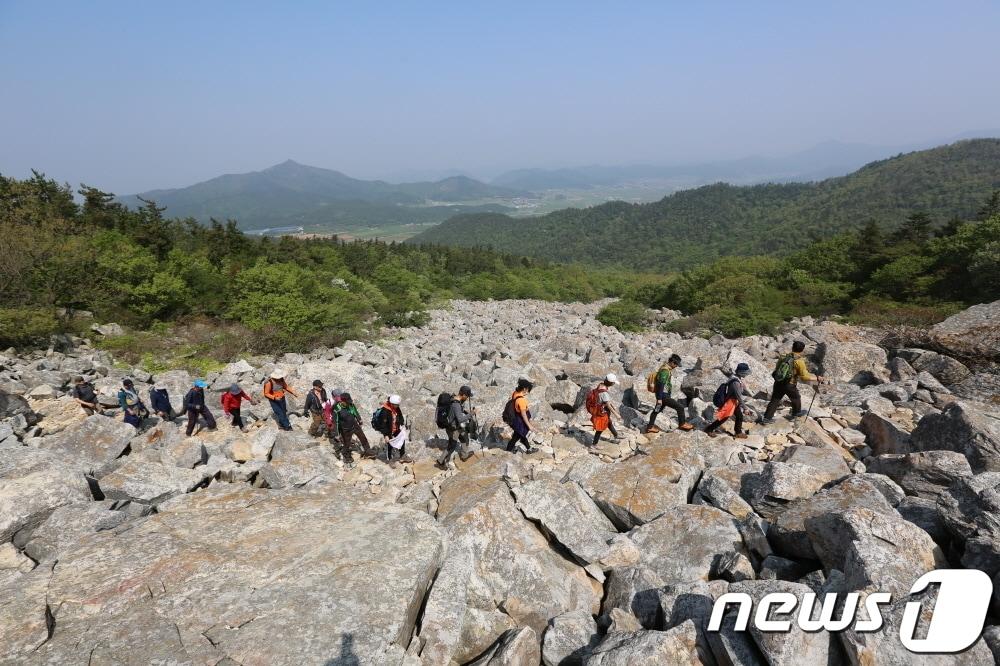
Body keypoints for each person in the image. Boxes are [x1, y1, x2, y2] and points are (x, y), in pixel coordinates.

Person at [759, 341, 825, 424]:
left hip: (778, 382)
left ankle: (767, 418)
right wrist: (816, 378)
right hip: (789, 384)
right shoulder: (799, 361)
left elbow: (777, 368)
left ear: (792, 347)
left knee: (775, 400)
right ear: (802, 350)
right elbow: (804, 377)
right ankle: (796, 414)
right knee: (796, 398)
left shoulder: (783, 356)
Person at [646, 354, 694, 434]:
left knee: (656, 410)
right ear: (671, 362)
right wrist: (659, 399)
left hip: (662, 395)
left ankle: (650, 427)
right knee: (680, 407)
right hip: (663, 396)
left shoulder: (664, 367)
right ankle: (682, 424)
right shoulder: (665, 371)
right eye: (675, 364)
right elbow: (661, 385)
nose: (676, 366)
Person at [705, 363, 752, 439]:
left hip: (734, 402)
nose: (746, 375)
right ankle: (709, 429)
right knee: (724, 417)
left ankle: (738, 432)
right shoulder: (735, 383)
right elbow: (738, 396)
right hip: (730, 402)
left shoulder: (735, 377)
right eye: (746, 373)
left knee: (739, 416)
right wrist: (745, 408)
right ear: (741, 373)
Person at [436, 385, 476, 469]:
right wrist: (471, 414)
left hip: (456, 427)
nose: (468, 398)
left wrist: (465, 412)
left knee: (464, 437)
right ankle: (440, 461)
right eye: (467, 396)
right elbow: (461, 419)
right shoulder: (456, 405)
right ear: (464, 395)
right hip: (453, 429)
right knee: (452, 446)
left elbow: (456, 413)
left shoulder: (454, 398)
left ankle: (464, 455)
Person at [329, 392, 375, 464]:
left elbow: (355, 411)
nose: (349, 403)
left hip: (355, 425)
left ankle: (368, 451)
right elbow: (336, 422)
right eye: (347, 402)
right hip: (345, 429)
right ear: (342, 401)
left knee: (363, 438)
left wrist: (359, 419)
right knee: (347, 443)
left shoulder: (350, 404)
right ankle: (346, 456)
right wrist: (337, 434)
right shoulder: (336, 409)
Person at [374, 394, 411, 465]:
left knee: (402, 439)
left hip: (396, 428)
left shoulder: (396, 407)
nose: (398, 406)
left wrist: (402, 424)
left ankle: (402, 455)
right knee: (389, 444)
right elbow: (383, 425)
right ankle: (390, 459)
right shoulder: (384, 411)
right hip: (388, 430)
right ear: (392, 404)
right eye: (396, 405)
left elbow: (400, 416)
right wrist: (385, 435)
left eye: (398, 405)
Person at [504, 378, 538, 454]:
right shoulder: (521, 400)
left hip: (515, 419)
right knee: (516, 437)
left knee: (520, 435)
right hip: (520, 421)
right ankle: (507, 452)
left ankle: (529, 449)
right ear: (525, 389)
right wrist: (529, 426)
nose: (528, 392)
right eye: (528, 390)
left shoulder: (515, 393)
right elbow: (523, 414)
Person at [588, 373, 621, 447]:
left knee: (609, 422)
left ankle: (616, 435)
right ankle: (594, 445)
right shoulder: (604, 393)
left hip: (599, 409)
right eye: (613, 383)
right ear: (611, 383)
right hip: (601, 412)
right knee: (600, 429)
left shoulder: (601, 385)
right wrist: (616, 414)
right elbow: (608, 405)